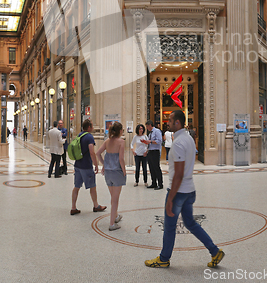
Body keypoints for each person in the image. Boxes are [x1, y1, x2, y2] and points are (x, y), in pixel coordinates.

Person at [145, 110, 225, 269]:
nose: (167, 123)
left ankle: (163, 258)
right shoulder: (188, 138)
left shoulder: (179, 142)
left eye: (170, 120)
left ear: (178, 123)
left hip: (179, 192)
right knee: (190, 223)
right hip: (189, 190)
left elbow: (179, 174)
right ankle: (215, 251)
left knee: (169, 227)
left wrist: (170, 199)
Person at [70, 119, 106, 215]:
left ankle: (73, 207)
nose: (93, 127)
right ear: (89, 127)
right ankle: (96, 206)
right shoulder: (89, 137)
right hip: (86, 166)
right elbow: (91, 152)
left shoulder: (79, 135)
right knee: (92, 187)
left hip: (78, 165)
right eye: (92, 125)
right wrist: (96, 164)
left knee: (76, 187)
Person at [96, 122, 126, 231]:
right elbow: (121, 159)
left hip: (108, 173)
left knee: (113, 196)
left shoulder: (107, 141)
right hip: (117, 172)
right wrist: (124, 170)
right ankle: (112, 223)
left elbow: (98, 153)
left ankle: (116, 216)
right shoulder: (121, 142)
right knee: (115, 199)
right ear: (120, 131)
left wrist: (104, 164)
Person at [142, 120, 163, 190]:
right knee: (151, 168)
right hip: (150, 151)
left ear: (150, 125)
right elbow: (150, 143)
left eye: (147, 126)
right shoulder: (150, 133)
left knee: (156, 167)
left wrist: (150, 141)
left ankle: (160, 184)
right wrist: (146, 143)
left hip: (155, 152)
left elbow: (160, 141)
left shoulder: (157, 131)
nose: (147, 128)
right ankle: (154, 183)